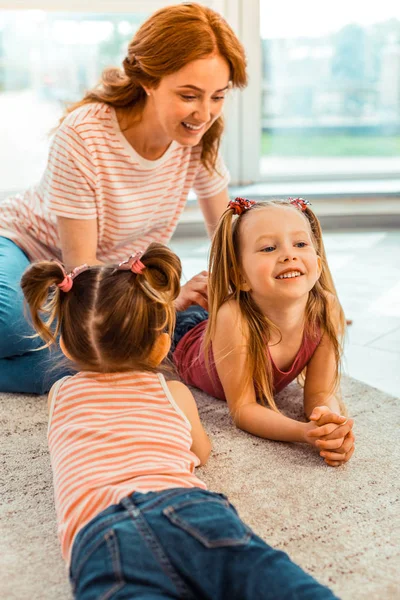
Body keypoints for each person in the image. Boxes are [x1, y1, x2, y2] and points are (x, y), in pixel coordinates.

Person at [20, 242, 337, 600]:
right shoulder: (172, 391)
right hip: (187, 507)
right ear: (161, 347)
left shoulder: (60, 394)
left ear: (65, 346)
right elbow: (200, 452)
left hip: (101, 532)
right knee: (273, 581)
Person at [0, 2, 247, 394]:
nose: (205, 113)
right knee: (15, 326)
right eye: (189, 95)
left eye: (218, 96)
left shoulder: (199, 138)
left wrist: (285, 297)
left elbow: (228, 234)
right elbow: (80, 270)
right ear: (147, 79)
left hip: (114, 284)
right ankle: (110, 348)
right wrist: (165, 305)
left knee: (100, 348)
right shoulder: (84, 135)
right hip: (28, 250)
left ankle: (95, 351)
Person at [173, 197, 355, 468]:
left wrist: (329, 424)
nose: (288, 255)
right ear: (240, 278)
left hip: (221, 322)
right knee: (132, 328)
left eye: (301, 244)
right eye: (269, 247)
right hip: (183, 331)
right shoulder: (233, 318)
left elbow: (319, 393)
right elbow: (243, 410)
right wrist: (303, 433)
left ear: (317, 265)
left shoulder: (326, 308)